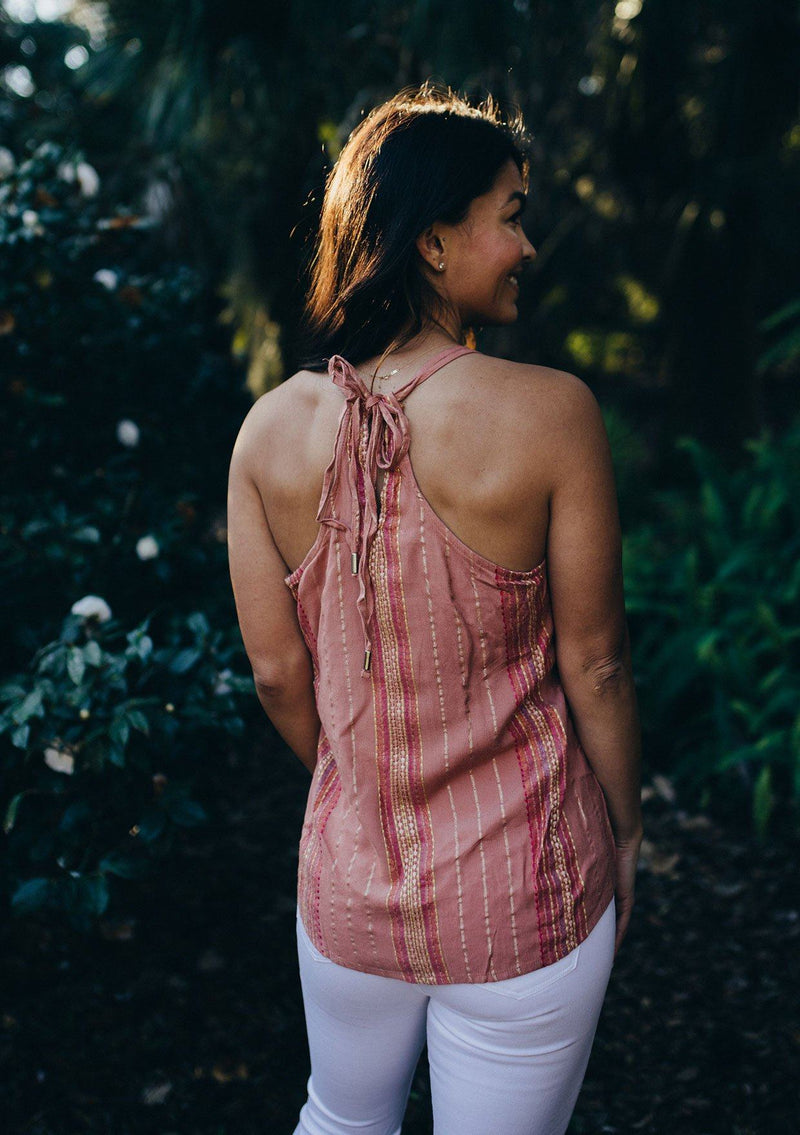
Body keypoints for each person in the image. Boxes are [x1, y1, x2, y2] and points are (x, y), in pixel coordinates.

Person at [227, 83, 643, 1135]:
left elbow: (279, 675)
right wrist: (624, 826)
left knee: (338, 1115)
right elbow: (594, 664)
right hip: (526, 893)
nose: (525, 245)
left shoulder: (267, 433)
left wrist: (369, 784)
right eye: (510, 214)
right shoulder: (550, 414)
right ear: (433, 242)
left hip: (348, 896)